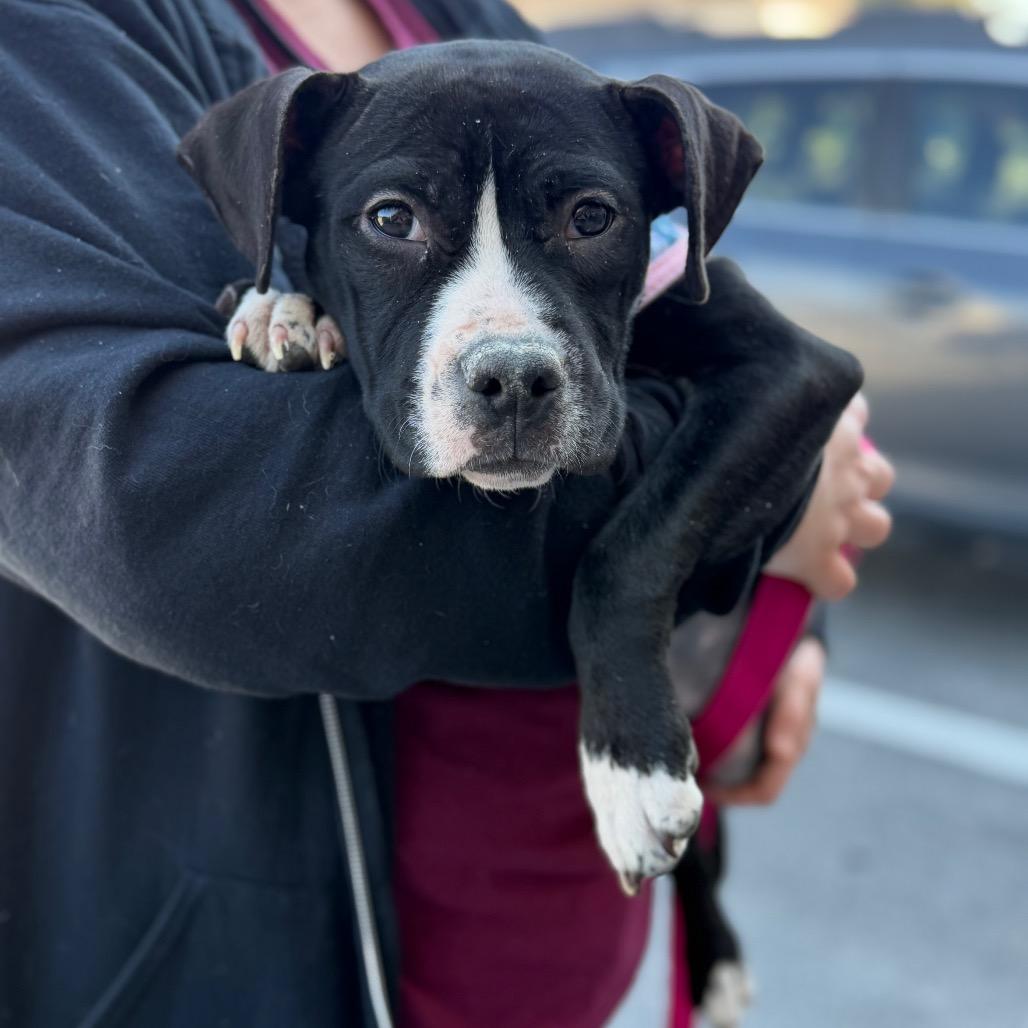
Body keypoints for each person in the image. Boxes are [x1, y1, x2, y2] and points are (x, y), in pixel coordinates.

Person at [0, 1, 893, 1026]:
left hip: (587, 928)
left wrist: (784, 598)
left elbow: (793, 398)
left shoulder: (474, 24)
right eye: (395, 220)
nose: (506, 346)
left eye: (586, 218)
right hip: (340, 944)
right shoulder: (59, 34)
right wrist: (770, 509)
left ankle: (713, 931)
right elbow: (153, 503)